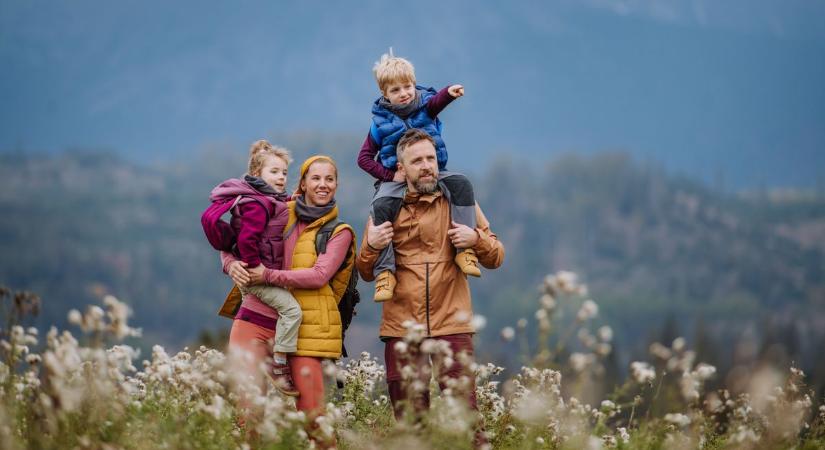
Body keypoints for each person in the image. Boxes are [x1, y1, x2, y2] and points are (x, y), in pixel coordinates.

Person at [355, 129, 504, 445]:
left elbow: (497, 255)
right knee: (412, 427)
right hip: (401, 327)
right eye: (417, 161)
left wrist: (475, 240)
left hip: (452, 322)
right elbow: (365, 271)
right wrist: (370, 246)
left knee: (466, 422)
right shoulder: (384, 205)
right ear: (402, 167)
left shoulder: (459, 200)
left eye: (430, 159)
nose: (426, 166)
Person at [222, 155, 355, 440]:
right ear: (303, 183)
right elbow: (232, 239)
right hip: (254, 319)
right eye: (315, 178)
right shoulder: (277, 210)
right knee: (248, 414)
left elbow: (319, 275)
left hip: (304, 330)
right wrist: (230, 264)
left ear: (336, 185)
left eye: (329, 179)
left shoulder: (339, 232)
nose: (322, 185)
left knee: (313, 417)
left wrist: (266, 275)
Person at [357, 51, 481, 302]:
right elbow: (364, 158)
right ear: (385, 94)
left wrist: (450, 92)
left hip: (435, 173)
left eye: (408, 86)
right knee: (380, 205)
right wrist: (390, 175)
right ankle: (385, 273)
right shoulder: (379, 122)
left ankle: (464, 249)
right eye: (396, 90)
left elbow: (437, 102)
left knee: (462, 184)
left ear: (415, 85)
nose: (404, 93)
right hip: (398, 179)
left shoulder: (425, 105)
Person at [210, 140, 301, 396]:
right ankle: (279, 364)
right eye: (274, 172)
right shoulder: (257, 203)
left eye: (284, 172)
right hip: (255, 304)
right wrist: (238, 264)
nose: (282, 177)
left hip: (268, 299)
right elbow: (239, 240)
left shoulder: (275, 201)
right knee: (249, 407)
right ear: (256, 174)